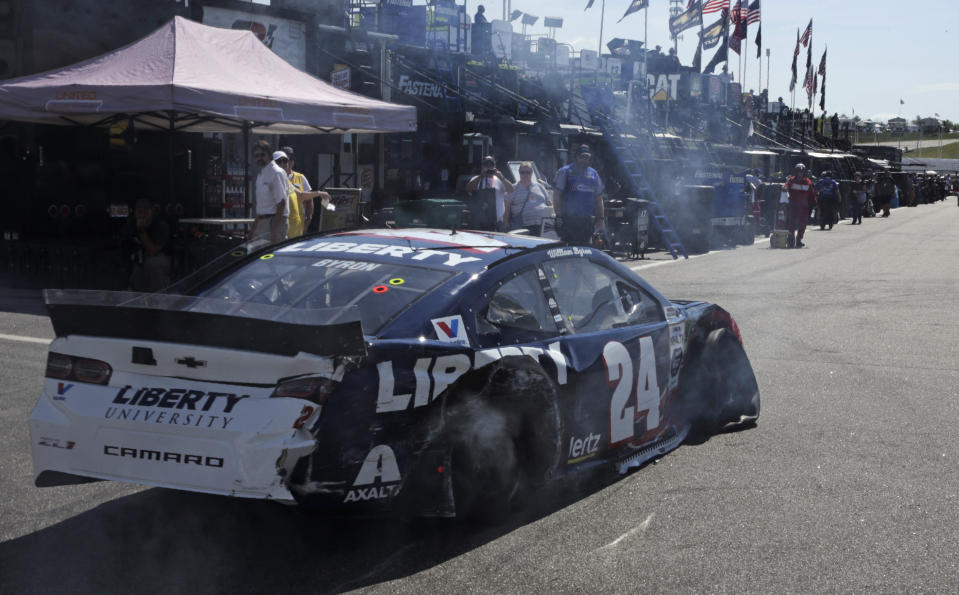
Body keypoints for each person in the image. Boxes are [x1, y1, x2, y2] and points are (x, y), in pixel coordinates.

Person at [553, 144, 605, 245]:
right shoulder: (566, 171)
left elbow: (599, 199)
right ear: (576, 157)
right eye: (582, 157)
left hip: (586, 220)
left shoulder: (594, 174)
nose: (584, 159)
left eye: (587, 157)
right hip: (568, 219)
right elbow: (557, 195)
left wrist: (601, 219)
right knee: (568, 249)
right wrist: (558, 216)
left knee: (585, 249)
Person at [278, 146, 331, 237]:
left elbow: (306, 198)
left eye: (290, 159)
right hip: (280, 223)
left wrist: (308, 219)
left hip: (296, 223)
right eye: (282, 160)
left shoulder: (300, 177)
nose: (287, 163)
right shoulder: (276, 178)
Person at [250, 141, 290, 244]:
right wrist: (253, 230)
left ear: (269, 155)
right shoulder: (260, 175)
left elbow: (281, 203)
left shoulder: (276, 173)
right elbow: (261, 208)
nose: (259, 158)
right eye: (256, 156)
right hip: (262, 222)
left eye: (262, 155)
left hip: (275, 222)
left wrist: (274, 231)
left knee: (272, 258)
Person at [127, 198, 171, 292]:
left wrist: (141, 230)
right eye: (139, 211)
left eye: (146, 210)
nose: (143, 214)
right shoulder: (130, 225)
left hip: (160, 258)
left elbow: (153, 251)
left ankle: (160, 297)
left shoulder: (161, 226)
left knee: (152, 264)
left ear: (152, 211)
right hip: (139, 259)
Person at [465, 155, 514, 231]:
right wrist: (481, 176)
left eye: (491, 164)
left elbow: (511, 190)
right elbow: (468, 189)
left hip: (496, 222)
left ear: (495, 166)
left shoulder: (499, 180)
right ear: (482, 166)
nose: (488, 167)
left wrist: (502, 178)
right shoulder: (476, 179)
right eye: (486, 164)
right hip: (479, 222)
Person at [505, 162, 552, 236]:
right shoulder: (512, 188)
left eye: (528, 172)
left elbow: (549, 203)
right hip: (522, 227)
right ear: (519, 173)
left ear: (532, 173)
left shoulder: (540, 186)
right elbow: (506, 209)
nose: (525, 175)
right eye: (523, 172)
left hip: (542, 225)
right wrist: (505, 225)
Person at [783, 163, 816, 248]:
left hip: (804, 207)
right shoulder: (791, 180)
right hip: (794, 206)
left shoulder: (808, 181)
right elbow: (786, 186)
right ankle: (791, 239)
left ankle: (799, 239)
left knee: (803, 224)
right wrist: (785, 188)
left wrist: (815, 202)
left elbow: (811, 194)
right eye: (798, 172)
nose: (800, 173)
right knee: (792, 223)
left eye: (802, 172)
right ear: (796, 172)